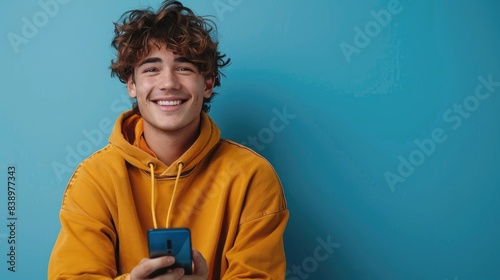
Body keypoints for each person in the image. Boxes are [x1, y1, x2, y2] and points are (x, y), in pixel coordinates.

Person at [48, 1, 289, 279]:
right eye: (151, 69)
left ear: (208, 83)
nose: (168, 83)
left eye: (184, 68)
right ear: (132, 85)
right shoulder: (94, 178)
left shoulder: (252, 177)